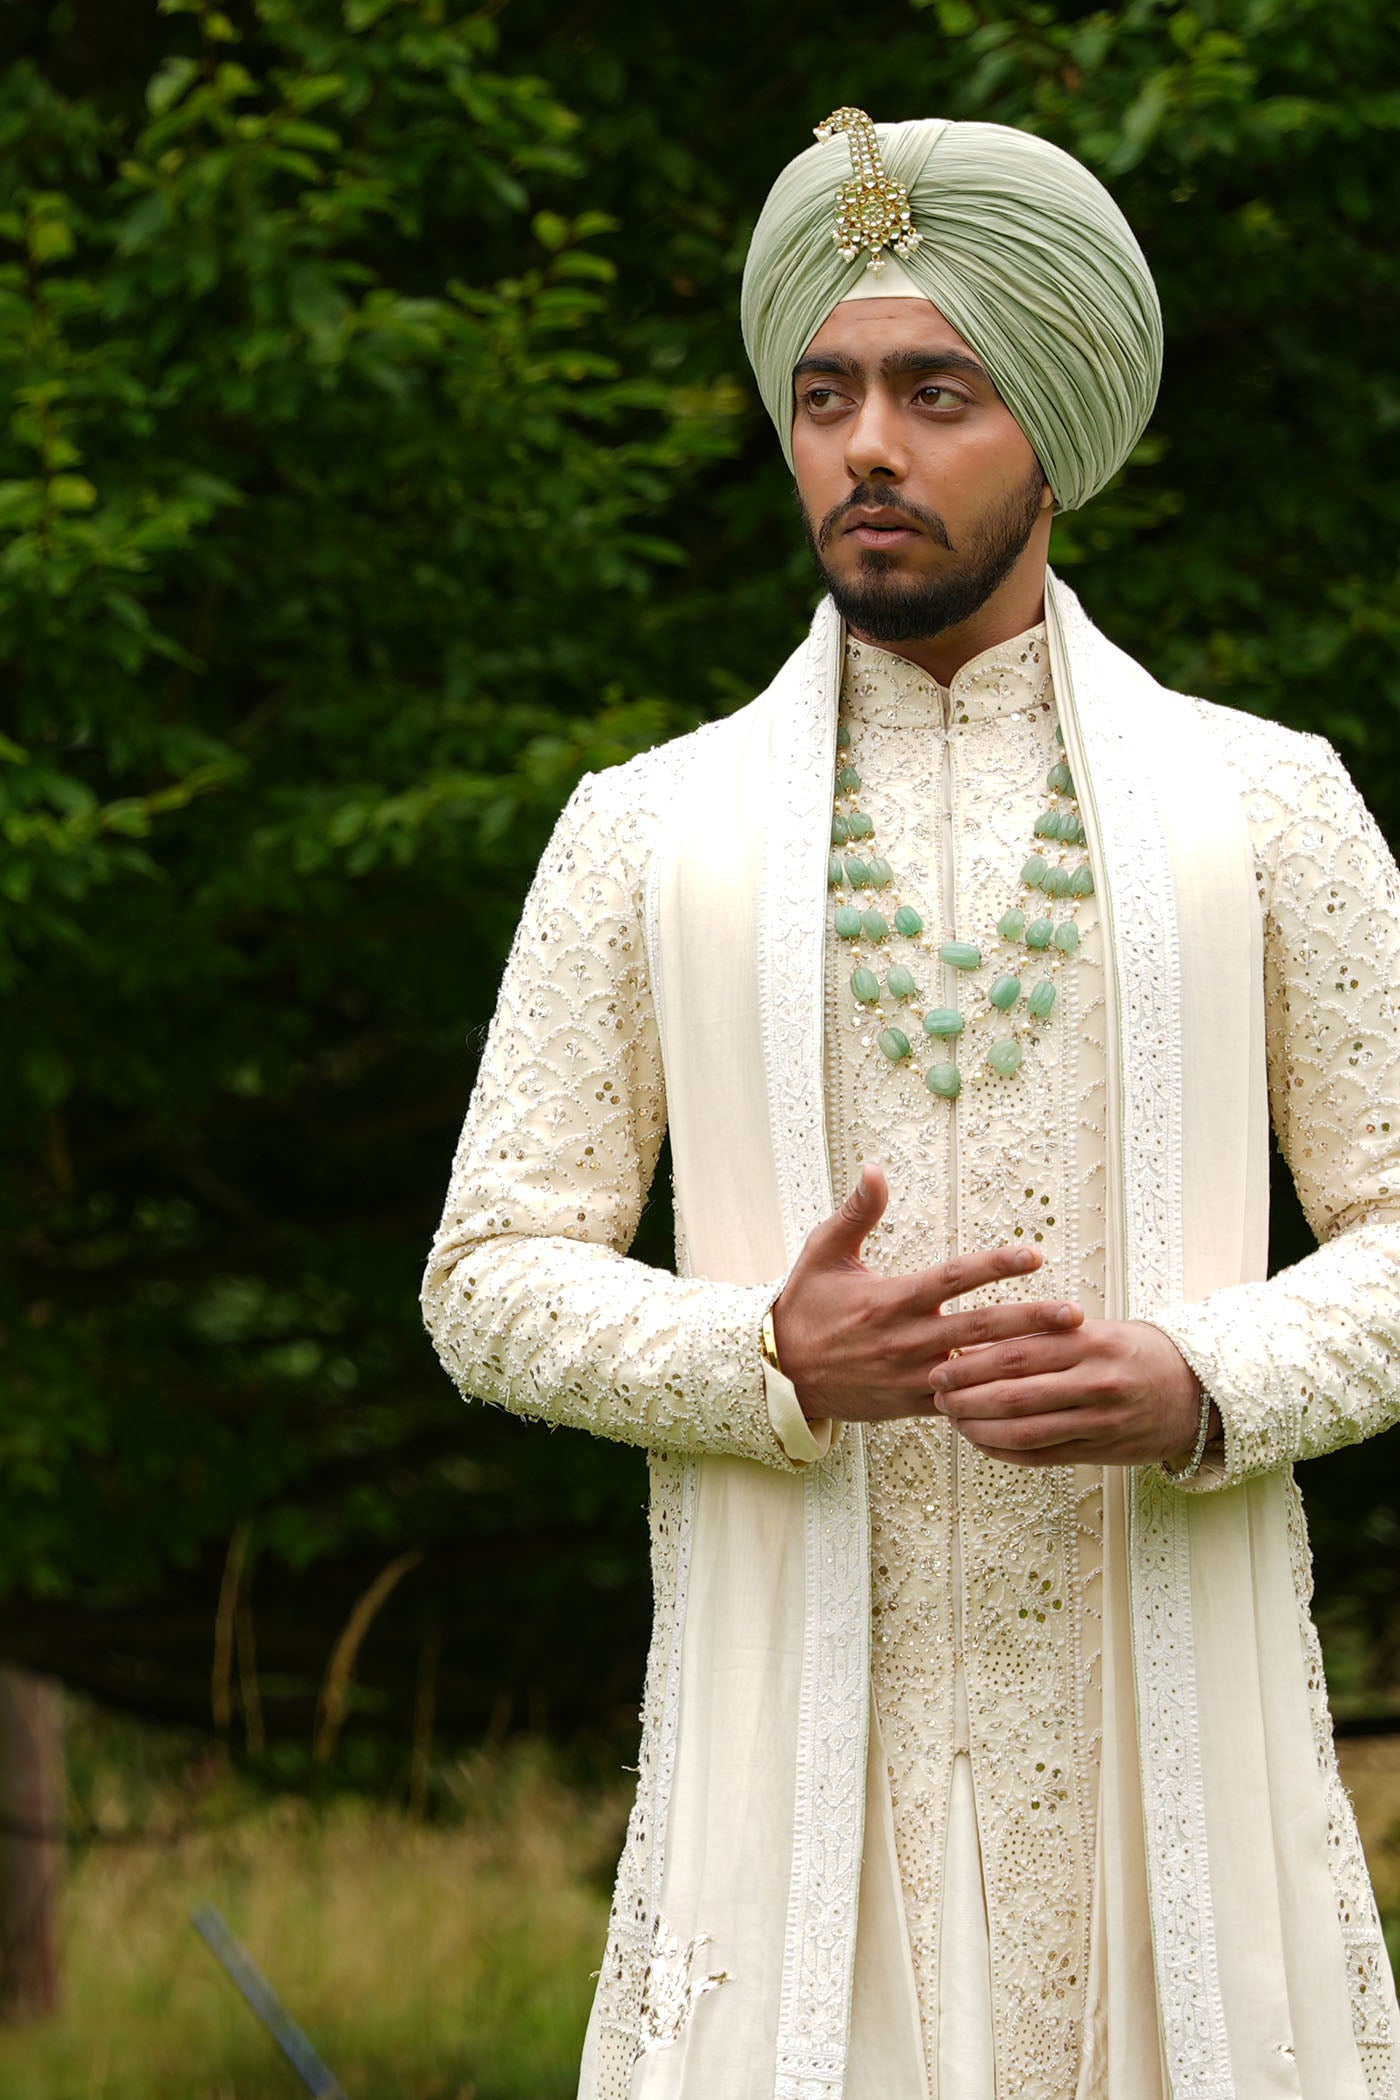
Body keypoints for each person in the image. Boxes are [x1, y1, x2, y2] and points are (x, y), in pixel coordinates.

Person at [421, 106, 1400, 2100]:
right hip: (785, 1801)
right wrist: (761, 1354)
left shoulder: (1265, 805)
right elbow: (489, 1270)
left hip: (1171, 1786)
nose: (865, 444)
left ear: (1050, 427)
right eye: (825, 392)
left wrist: (1208, 1378)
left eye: (933, 391)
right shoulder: (649, 829)